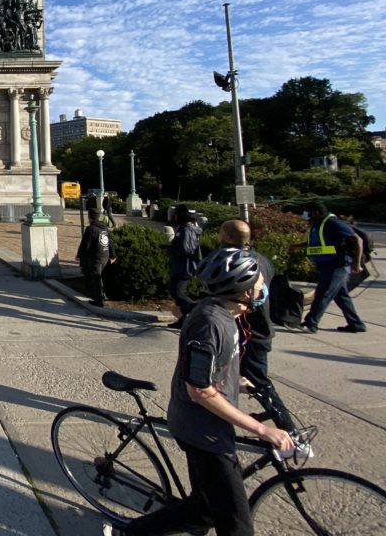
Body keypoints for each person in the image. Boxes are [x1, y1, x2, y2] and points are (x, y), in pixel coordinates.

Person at [106, 247, 294, 536]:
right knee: (236, 525)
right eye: (259, 285)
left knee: (204, 510)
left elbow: (213, 369)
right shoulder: (209, 323)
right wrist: (261, 429)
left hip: (209, 426)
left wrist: (238, 383)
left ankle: (134, 532)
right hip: (203, 432)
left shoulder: (226, 316)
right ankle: (132, 532)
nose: (264, 289)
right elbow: (200, 390)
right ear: (244, 293)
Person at [219, 219, 296, 432]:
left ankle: (290, 432)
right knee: (227, 381)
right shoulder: (261, 259)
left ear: (226, 238)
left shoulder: (233, 262)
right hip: (257, 330)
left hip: (248, 335)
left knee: (259, 384)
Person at [299, 201, 366, 333]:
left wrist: (356, 262)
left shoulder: (333, 223)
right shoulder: (318, 224)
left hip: (337, 265)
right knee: (341, 296)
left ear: (317, 212)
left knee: (323, 293)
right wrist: (297, 246)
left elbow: (357, 240)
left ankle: (311, 323)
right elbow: (317, 243)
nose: (305, 214)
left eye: (307, 211)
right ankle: (356, 323)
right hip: (327, 264)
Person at [167, 204, 203, 329]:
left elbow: (186, 249)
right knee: (174, 290)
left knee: (178, 292)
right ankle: (183, 319)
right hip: (180, 265)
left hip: (185, 267)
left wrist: (171, 249)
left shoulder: (187, 230)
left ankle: (196, 308)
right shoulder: (184, 229)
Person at [76, 207, 116, 307]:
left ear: (89, 217)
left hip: (96, 257)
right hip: (105, 256)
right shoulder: (104, 227)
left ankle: (99, 300)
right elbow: (110, 242)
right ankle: (102, 295)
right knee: (100, 276)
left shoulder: (90, 229)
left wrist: (79, 255)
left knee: (96, 278)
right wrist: (113, 255)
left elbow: (85, 244)